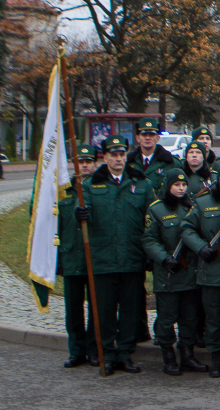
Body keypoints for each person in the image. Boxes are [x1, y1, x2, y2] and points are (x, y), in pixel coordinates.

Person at [81, 134, 151, 374]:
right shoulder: (90, 185)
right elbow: (83, 216)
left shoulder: (141, 183)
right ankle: (107, 353)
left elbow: (150, 219)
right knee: (104, 310)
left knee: (131, 310)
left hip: (132, 257)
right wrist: (80, 214)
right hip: (104, 258)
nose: (119, 159)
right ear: (105, 157)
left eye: (122, 154)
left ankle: (125, 353)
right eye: (113, 155)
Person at [142, 168, 206, 376]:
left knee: (189, 317)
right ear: (168, 186)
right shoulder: (156, 209)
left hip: (190, 272)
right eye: (176, 185)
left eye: (184, 185)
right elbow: (149, 239)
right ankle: (168, 357)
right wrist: (163, 258)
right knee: (167, 318)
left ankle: (187, 355)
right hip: (168, 273)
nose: (181, 189)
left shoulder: (192, 207)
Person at [182, 163, 220, 377]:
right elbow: (187, 229)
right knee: (214, 318)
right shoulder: (202, 202)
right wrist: (201, 248)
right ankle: (216, 358)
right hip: (212, 271)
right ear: (218, 179)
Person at [57, 144, 98, 369]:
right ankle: (76, 350)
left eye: (88, 161)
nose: (84, 166)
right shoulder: (64, 192)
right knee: (73, 308)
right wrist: (58, 260)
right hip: (71, 256)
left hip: (94, 257)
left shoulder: (98, 188)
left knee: (95, 307)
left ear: (94, 163)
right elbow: (57, 227)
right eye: (80, 162)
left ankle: (93, 349)